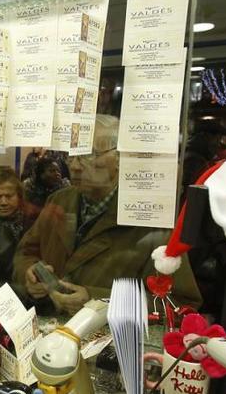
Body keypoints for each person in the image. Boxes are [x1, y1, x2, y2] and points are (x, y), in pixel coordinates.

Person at [13, 116, 202, 315]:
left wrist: (98, 301)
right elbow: (24, 253)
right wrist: (30, 272)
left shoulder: (148, 215)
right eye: (71, 155)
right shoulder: (59, 201)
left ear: (120, 157)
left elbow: (179, 302)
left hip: (109, 340)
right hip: (49, 329)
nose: (75, 166)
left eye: (88, 155)